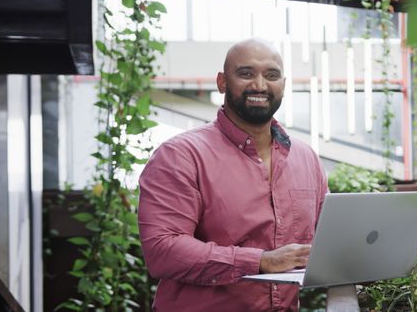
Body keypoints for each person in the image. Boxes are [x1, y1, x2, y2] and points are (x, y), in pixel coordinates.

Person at [138, 38, 328, 311]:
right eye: (246, 74)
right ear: (222, 82)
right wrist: (261, 260)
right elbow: (162, 251)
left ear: (283, 85)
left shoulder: (306, 158)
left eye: (271, 75)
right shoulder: (180, 155)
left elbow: (325, 240)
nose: (260, 85)